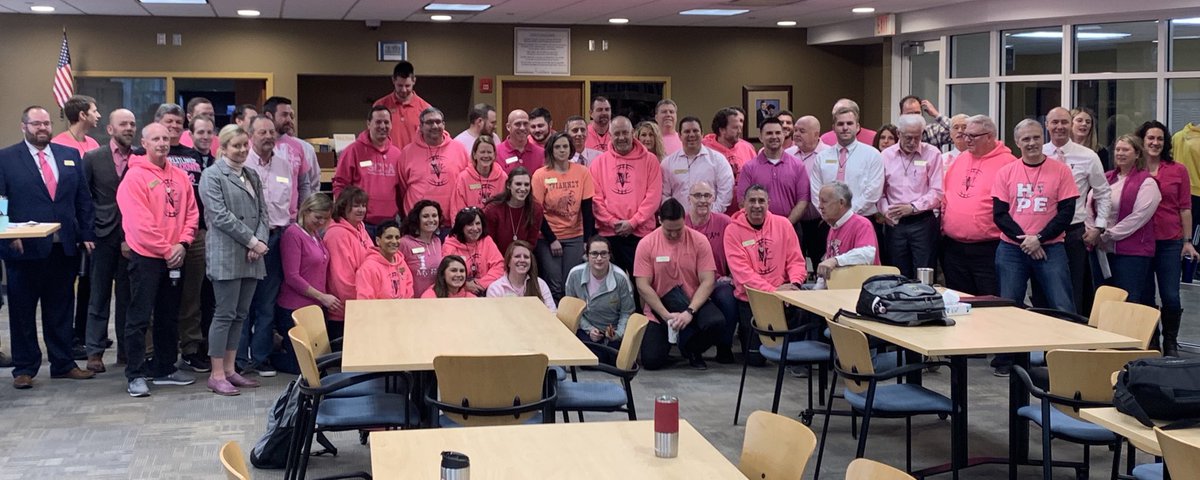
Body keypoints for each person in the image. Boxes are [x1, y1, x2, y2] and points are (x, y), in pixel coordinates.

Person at [0, 105, 97, 389]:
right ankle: (25, 368)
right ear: (23, 126)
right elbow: (0, 200)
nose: (42, 128)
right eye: (36, 124)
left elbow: (83, 199)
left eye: (45, 123)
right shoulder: (6, 158)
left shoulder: (68, 156)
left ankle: (63, 363)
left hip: (62, 247)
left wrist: (87, 232)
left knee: (61, 309)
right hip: (23, 249)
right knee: (22, 311)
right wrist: (6, 232)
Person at [991, 119, 1079, 376]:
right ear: (1017, 143)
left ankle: (1070, 356)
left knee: (1061, 304)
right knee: (1009, 305)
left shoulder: (1061, 171)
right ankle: (1007, 359)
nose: (1031, 143)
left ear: (1044, 139)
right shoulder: (1006, 172)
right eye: (1025, 139)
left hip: (1051, 248)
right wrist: (1026, 240)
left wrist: (1039, 238)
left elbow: (1066, 213)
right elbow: (1000, 214)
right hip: (1011, 249)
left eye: (1036, 137)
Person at [117, 122, 199, 396]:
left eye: (166, 138)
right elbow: (140, 224)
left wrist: (183, 243)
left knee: (168, 316)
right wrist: (167, 249)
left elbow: (191, 213)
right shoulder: (134, 177)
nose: (162, 143)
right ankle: (135, 374)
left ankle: (164, 367)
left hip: (177, 255)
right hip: (147, 258)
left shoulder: (180, 176)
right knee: (139, 317)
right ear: (145, 143)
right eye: (156, 139)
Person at [199, 124, 269, 395]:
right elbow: (219, 216)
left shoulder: (251, 174)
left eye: (244, 145)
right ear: (223, 148)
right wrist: (252, 241)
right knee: (224, 313)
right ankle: (216, 373)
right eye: (235, 146)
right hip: (227, 253)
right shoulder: (212, 175)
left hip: (253, 255)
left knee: (240, 315)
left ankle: (230, 369)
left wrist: (260, 241)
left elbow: (263, 212)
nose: (241, 150)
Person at [154, 103, 212, 374]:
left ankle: (190, 348)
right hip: (161, 236)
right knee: (160, 296)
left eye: (179, 123)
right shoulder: (149, 155)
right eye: (169, 122)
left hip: (195, 233)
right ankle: (154, 352)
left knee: (192, 296)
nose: (174, 127)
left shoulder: (194, 155)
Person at [634, 198, 725, 370]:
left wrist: (690, 311)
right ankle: (673, 341)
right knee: (651, 361)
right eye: (669, 231)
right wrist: (665, 315)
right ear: (660, 221)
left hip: (692, 301)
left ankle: (691, 349)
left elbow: (708, 280)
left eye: (679, 229)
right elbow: (642, 286)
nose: (674, 235)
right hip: (660, 306)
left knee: (716, 323)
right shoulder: (646, 244)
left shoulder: (699, 240)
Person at [723, 185, 807, 366]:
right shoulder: (732, 231)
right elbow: (742, 274)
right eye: (752, 200)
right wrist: (774, 291)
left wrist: (795, 284)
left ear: (769, 203)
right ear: (743, 204)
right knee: (755, 360)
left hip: (784, 297)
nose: (757, 205)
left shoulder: (783, 224)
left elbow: (796, 261)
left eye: (761, 201)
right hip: (752, 300)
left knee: (791, 357)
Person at [83, 108, 137, 373]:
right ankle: (94, 352)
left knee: (128, 297)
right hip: (102, 235)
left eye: (132, 124)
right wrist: (86, 232)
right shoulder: (93, 157)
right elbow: (83, 198)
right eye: (123, 124)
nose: (129, 128)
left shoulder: (140, 156)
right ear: (110, 129)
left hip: (134, 238)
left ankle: (126, 352)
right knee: (99, 295)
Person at [238, 115, 292, 377]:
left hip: (277, 238)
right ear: (251, 135)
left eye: (272, 132)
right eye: (262, 132)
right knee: (244, 302)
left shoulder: (284, 165)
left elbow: (291, 206)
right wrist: (250, 239)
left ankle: (260, 357)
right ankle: (239, 358)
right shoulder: (241, 165)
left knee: (267, 303)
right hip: (247, 240)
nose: (269, 136)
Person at [1044, 107, 1111, 315]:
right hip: (1041, 233)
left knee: (1073, 291)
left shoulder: (1088, 156)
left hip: (1073, 233)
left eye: (1064, 122)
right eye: (1055, 123)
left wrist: (1099, 227)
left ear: (1069, 125)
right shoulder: (1039, 152)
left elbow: (1103, 193)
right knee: (1043, 292)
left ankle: (1072, 342)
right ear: (1047, 125)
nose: (1059, 127)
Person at [941, 115, 1016, 296]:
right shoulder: (960, 159)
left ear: (989, 136)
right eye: (965, 135)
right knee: (958, 300)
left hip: (988, 248)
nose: (966, 140)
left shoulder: (1009, 164)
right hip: (954, 247)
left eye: (972, 136)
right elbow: (946, 194)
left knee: (988, 302)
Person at [1139, 120, 1194, 356]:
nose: (1155, 143)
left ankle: (1170, 341)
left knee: (1170, 294)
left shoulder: (1177, 170)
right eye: (1151, 138)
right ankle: (1152, 340)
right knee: (1145, 295)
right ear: (1142, 141)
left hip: (1170, 241)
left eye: (1160, 139)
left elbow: (1185, 208)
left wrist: (1188, 241)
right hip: (1140, 241)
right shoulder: (1134, 169)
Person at [1086, 135, 1162, 307]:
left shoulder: (1147, 183)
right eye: (1118, 149)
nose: (1120, 153)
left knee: (1127, 302)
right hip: (1100, 250)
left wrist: (1107, 235)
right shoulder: (1105, 178)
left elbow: (1138, 218)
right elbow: (1089, 206)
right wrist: (1093, 231)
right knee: (1103, 301)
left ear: (1137, 154)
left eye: (1126, 150)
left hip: (1131, 254)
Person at [590, 116, 663, 282]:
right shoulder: (598, 163)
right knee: (611, 283)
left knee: (642, 283)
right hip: (609, 233)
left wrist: (633, 222)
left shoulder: (650, 161)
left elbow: (653, 196)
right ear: (610, 135)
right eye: (617, 133)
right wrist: (612, 222)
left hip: (640, 233)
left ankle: (640, 310)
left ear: (633, 134)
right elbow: (596, 199)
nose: (621, 137)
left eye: (625, 133)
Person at [278, 194, 341, 373]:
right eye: (317, 217)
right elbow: (292, 276)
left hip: (315, 307)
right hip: (295, 307)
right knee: (303, 367)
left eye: (325, 219)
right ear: (306, 211)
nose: (321, 222)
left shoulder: (314, 235)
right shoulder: (293, 234)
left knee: (319, 363)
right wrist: (322, 297)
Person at [812, 106, 885, 257]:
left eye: (849, 123)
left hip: (863, 222)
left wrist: (847, 216)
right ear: (833, 128)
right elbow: (815, 191)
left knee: (861, 269)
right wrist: (830, 215)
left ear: (857, 127)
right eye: (840, 124)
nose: (845, 128)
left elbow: (873, 192)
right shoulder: (822, 157)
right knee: (828, 270)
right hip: (828, 223)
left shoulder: (872, 155)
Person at [532, 132, 595, 301]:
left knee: (571, 282)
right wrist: (552, 239)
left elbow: (587, 210)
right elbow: (536, 211)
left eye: (565, 146)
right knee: (555, 283)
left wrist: (586, 241)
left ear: (571, 149)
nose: (562, 150)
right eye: (557, 147)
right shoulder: (540, 175)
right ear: (551, 150)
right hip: (547, 238)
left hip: (575, 236)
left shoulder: (583, 172)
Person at [878, 114, 943, 279]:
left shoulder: (932, 154)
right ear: (899, 134)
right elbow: (880, 191)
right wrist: (887, 212)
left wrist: (913, 207)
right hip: (895, 223)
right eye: (908, 137)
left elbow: (937, 191)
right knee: (897, 273)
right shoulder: (885, 155)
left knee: (924, 272)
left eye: (917, 137)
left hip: (922, 221)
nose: (913, 142)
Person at [684, 182, 737, 364]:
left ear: (713, 198)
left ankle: (724, 346)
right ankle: (693, 348)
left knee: (728, 297)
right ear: (688, 198)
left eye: (707, 196)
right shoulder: (681, 223)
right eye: (697, 195)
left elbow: (736, 252)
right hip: (687, 283)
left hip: (716, 281)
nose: (703, 200)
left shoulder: (725, 222)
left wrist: (732, 277)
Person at [333, 105, 404, 235]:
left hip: (389, 224)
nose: (382, 126)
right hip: (361, 223)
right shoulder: (353, 150)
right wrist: (344, 215)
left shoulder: (397, 154)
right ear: (368, 124)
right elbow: (340, 184)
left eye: (386, 122)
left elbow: (400, 192)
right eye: (378, 122)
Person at [399, 107, 469, 232]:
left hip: (451, 224)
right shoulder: (407, 152)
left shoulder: (459, 149)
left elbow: (466, 184)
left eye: (438, 122)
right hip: (418, 226)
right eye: (429, 122)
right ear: (420, 126)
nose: (435, 126)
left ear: (444, 124)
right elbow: (403, 187)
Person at [735, 118, 810, 234]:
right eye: (769, 133)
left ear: (784, 135)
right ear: (760, 137)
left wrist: (784, 225)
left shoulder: (798, 166)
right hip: (757, 230)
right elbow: (742, 202)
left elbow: (803, 201)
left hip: (790, 229)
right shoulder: (749, 168)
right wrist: (763, 225)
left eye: (778, 133)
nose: (774, 136)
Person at [564, 236, 636, 358]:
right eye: (594, 254)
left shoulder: (621, 278)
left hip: (613, 331)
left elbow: (627, 312)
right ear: (587, 256)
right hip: (585, 329)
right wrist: (589, 329)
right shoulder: (574, 274)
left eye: (603, 254)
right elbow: (572, 310)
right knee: (589, 360)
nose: (599, 258)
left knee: (614, 359)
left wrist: (617, 334)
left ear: (609, 255)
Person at [322, 186, 372, 340]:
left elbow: (373, 257)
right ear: (344, 207)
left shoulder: (360, 227)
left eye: (363, 205)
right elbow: (342, 280)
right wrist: (360, 307)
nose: (361, 210)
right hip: (346, 313)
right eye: (356, 205)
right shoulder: (337, 234)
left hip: (363, 304)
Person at [814, 182, 880, 289]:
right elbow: (826, 267)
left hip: (859, 291)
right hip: (836, 289)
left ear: (841, 203)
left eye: (824, 201)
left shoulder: (862, 224)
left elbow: (867, 254)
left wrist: (835, 261)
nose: (820, 206)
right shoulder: (833, 227)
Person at [662, 116, 734, 213]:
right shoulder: (668, 163)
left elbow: (726, 191)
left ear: (702, 134)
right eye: (687, 131)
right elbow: (664, 194)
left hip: (711, 220)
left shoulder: (718, 160)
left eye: (695, 131)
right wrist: (674, 215)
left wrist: (712, 214)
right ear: (679, 136)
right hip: (679, 223)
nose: (691, 135)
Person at [787, 115, 832, 260]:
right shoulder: (787, 155)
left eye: (802, 131)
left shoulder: (830, 154)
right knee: (794, 262)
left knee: (820, 262)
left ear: (816, 134)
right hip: (793, 221)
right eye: (795, 130)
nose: (797, 134)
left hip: (820, 221)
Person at [264, 96, 320, 210]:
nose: (289, 120)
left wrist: (305, 212)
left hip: (292, 217)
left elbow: (307, 184)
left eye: (291, 115)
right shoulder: (255, 146)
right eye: (284, 115)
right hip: (264, 217)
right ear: (269, 116)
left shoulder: (299, 147)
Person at [702, 107, 758, 212]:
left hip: (743, 213)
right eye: (735, 128)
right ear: (722, 130)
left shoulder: (748, 148)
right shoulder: (705, 150)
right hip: (713, 213)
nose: (740, 131)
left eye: (740, 127)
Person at [484, 166, 544, 257]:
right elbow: (490, 243)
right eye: (518, 184)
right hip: (495, 258)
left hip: (522, 258)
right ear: (508, 185)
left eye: (526, 185)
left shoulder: (536, 209)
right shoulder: (492, 210)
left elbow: (531, 243)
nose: (523, 189)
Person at [443, 207, 505, 295]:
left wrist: (479, 284)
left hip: (485, 290)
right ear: (461, 227)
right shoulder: (450, 244)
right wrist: (465, 285)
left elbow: (499, 266)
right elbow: (446, 273)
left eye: (478, 223)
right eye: (470, 224)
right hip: (458, 293)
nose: (475, 228)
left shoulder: (487, 240)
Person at [373, 60, 432, 150]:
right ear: (393, 80)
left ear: (414, 81)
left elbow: (430, 139)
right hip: (387, 158)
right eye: (400, 85)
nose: (404, 90)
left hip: (414, 159)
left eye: (407, 86)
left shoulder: (426, 108)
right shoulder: (380, 105)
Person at [486, 240, 556, 311]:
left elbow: (552, 312)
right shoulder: (495, 289)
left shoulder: (540, 284)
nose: (522, 260)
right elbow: (493, 317)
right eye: (517, 256)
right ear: (508, 262)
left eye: (526, 257)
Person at [449, 136, 508, 219]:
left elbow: (506, 209)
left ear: (494, 155)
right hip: (470, 228)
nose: (486, 155)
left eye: (489, 152)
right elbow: (456, 211)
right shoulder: (463, 178)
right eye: (482, 152)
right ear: (474, 155)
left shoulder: (503, 178)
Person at [356, 220, 414, 300]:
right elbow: (365, 302)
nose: (394, 241)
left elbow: (409, 293)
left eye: (397, 237)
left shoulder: (402, 263)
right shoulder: (368, 268)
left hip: (403, 311)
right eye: (389, 237)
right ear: (378, 241)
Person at [400, 199, 445, 296]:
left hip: (434, 299)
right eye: (425, 216)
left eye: (434, 216)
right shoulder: (404, 243)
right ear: (417, 219)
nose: (431, 220)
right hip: (412, 300)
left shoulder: (437, 241)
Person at [496, 109, 545, 174]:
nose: (522, 128)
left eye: (525, 124)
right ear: (508, 127)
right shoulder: (496, 152)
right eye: (518, 124)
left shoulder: (541, 153)